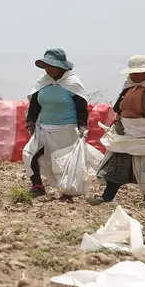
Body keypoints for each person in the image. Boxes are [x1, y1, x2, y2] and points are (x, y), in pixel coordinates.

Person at [88, 55, 145, 207]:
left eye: (138, 72)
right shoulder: (128, 86)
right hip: (127, 133)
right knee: (118, 163)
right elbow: (120, 107)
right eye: (132, 73)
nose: (134, 75)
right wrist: (118, 123)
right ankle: (106, 197)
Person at [23, 49, 89, 200]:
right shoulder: (43, 81)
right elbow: (34, 103)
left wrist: (82, 125)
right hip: (44, 127)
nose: (48, 69)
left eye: (51, 65)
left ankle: (67, 193)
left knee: (64, 163)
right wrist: (31, 121)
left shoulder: (72, 83)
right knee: (30, 153)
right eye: (46, 65)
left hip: (66, 129)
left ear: (61, 67)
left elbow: (81, 106)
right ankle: (37, 186)